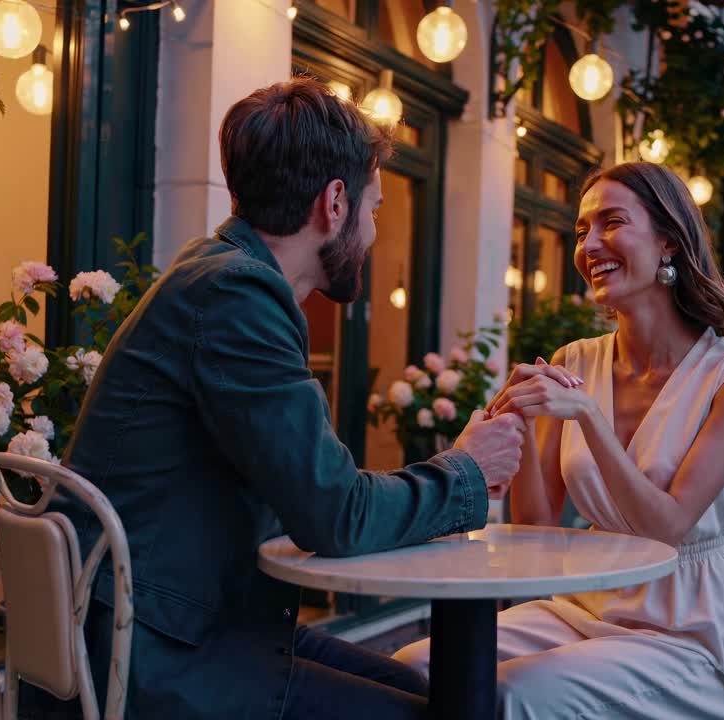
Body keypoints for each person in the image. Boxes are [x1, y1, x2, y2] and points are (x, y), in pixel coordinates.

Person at [32, 78, 526, 720]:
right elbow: (336, 516)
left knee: (437, 694)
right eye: (374, 210)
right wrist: (469, 472)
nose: (373, 234)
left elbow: (320, 494)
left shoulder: (216, 273)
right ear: (335, 203)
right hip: (155, 659)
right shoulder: (237, 296)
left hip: (166, 625)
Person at [395, 162, 724, 718]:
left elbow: (668, 527)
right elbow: (536, 527)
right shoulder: (574, 361)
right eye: (581, 231)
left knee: (511, 694)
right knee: (413, 669)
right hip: (589, 606)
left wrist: (590, 418)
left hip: (695, 630)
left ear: (669, 241)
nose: (590, 244)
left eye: (612, 223)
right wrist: (521, 420)